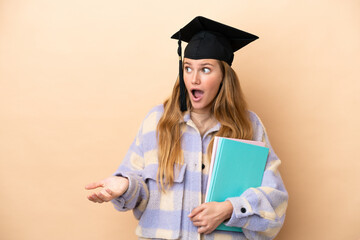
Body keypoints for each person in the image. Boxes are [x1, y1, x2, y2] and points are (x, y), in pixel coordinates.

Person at [85, 16, 288, 240]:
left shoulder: (248, 125)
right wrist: (124, 185)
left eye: (206, 70)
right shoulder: (157, 122)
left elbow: (274, 200)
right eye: (188, 68)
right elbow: (139, 189)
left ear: (224, 77)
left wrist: (229, 209)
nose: (194, 79)